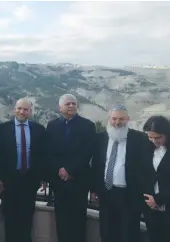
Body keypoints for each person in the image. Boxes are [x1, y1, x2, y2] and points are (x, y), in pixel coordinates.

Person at [90, 104, 148, 242]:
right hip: (106, 193)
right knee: (107, 232)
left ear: (128, 119)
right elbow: (97, 165)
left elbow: (145, 168)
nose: (117, 122)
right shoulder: (100, 138)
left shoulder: (140, 139)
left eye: (121, 119)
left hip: (129, 196)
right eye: (114, 119)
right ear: (109, 119)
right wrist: (94, 188)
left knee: (128, 234)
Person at [0, 98, 46, 242]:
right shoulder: (2, 129)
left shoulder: (39, 129)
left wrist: (43, 178)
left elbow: (43, 155)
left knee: (27, 216)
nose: (22, 112)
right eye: (19, 108)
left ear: (30, 112)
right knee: (10, 217)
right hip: (9, 180)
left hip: (30, 179)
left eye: (25, 109)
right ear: (14, 109)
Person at [44, 94, 96, 242]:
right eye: (68, 104)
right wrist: (59, 170)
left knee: (79, 219)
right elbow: (48, 151)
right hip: (59, 182)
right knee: (61, 220)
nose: (72, 106)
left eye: (74, 103)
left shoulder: (88, 126)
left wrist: (70, 170)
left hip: (78, 180)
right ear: (60, 107)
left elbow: (87, 152)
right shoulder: (52, 126)